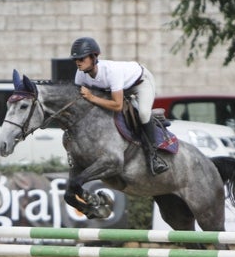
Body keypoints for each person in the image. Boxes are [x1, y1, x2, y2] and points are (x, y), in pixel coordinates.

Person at [70, 37, 169, 176]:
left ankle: (154, 156)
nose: (78, 63)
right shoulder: (80, 75)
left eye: (81, 59)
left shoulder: (111, 72)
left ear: (94, 57)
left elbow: (117, 105)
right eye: (76, 60)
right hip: (118, 88)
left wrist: (92, 97)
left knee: (143, 114)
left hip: (140, 83)